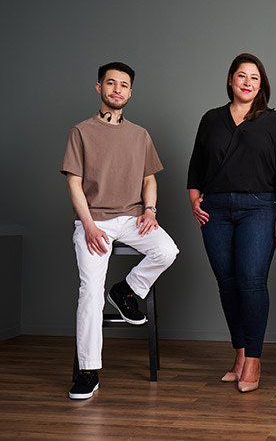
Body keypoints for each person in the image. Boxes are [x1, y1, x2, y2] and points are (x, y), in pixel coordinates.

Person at [61, 62, 179, 400]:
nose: (117, 89)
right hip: (92, 219)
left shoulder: (140, 135)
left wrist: (150, 210)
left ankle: (126, 290)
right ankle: (88, 371)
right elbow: (74, 182)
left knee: (167, 250)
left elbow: (149, 179)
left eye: (123, 85)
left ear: (130, 92)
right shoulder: (80, 131)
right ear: (99, 88)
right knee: (90, 293)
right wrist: (87, 225)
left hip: (131, 218)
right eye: (111, 83)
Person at [187, 53, 276, 393]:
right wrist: (194, 201)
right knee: (227, 283)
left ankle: (255, 359)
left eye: (255, 78)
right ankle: (239, 352)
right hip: (215, 210)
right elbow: (195, 167)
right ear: (231, 80)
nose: (247, 82)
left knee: (251, 281)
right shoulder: (211, 119)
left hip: (259, 208)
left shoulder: (274, 122)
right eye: (242, 76)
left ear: (261, 85)